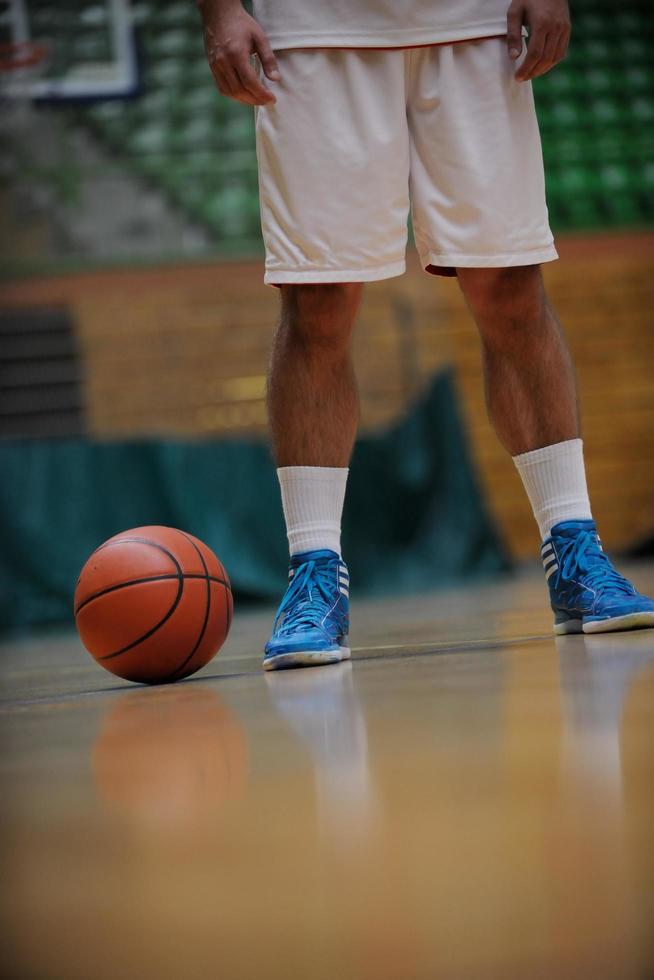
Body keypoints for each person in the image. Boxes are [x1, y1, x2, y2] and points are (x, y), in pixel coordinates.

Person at [198, 0, 654, 670]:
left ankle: (574, 545)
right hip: (308, 29)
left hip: (476, 21)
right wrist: (219, 10)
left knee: (510, 288)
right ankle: (315, 569)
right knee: (317, 300)